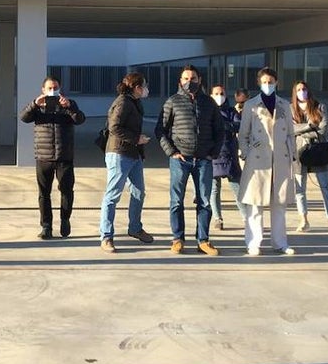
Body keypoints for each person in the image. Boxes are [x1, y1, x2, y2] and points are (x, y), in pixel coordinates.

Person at [155, 66, 224, 255]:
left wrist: (214, 152)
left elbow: (220, 130)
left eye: (193, 78)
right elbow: (160, 130)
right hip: (180, 159)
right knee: (176, 201)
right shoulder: (172, 102)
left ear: (199, 80)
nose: (189, 81)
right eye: (185, 78)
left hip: (203, 160)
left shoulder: (209, 102)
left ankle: (203, 240)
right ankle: (178, 238)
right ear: (180, 80)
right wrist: (171, 152)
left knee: (204, 202)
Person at [237, 67, 296, 256]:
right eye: (264, 82)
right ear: (259, 83)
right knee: (255, 204)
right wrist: (246, 153)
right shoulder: (251, 105)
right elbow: (243, 133)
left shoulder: (284, 105)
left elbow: (290, 133)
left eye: (271, 81)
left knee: (279, 204)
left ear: (277, 82)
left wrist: (291, 154)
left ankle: (280, 242)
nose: (268, 85)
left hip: (280, 158)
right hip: (258, 160)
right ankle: (254, 242)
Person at [20, 76, 86, 239]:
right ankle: (46, 226)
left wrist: (69, 107)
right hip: (43, 157)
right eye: (49, 88)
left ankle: (65, 220)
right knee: (44, 193)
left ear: (60, 88)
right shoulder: (37, 106)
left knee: (66, 190)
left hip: (64, 156)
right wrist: (35, 104)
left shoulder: (68, 103)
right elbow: (24, 117)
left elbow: (80, 119)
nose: (52, 91)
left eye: (55, 87)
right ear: (43, 90)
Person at [99, 72, 155, 253]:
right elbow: (114, 127)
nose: (146, 89)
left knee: (138, 192)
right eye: (144, 85)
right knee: (113, 195)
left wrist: (139, 147)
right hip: (119, 154)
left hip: (133, 154)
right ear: (136, 87)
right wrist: (136, 139)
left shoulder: (134, 102)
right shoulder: (122, 102)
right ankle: (106, 236)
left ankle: (135, 228)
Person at [290, 80, 328, 235]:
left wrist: (303, 130)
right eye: (299, 89)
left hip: (318, 150)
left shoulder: (320, 107)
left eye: (304, 89)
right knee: (300, 189)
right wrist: (309, 126)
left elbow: (323, 129)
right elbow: (290, 129)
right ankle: (304, 220)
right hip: (299, 152)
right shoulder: (290, 109)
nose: (302, 92)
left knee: (326, 187)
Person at [209, 83, 244, 231]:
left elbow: (238, 126)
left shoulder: (231, 112)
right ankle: (218, 218)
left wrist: (224, 125)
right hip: (212, 154)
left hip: (229, 154)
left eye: (222, 93)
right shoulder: (207, 112)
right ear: (211, 96)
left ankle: (246, 216)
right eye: (216, 93)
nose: (219, 96)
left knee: (238, 188)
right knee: (214, 189)